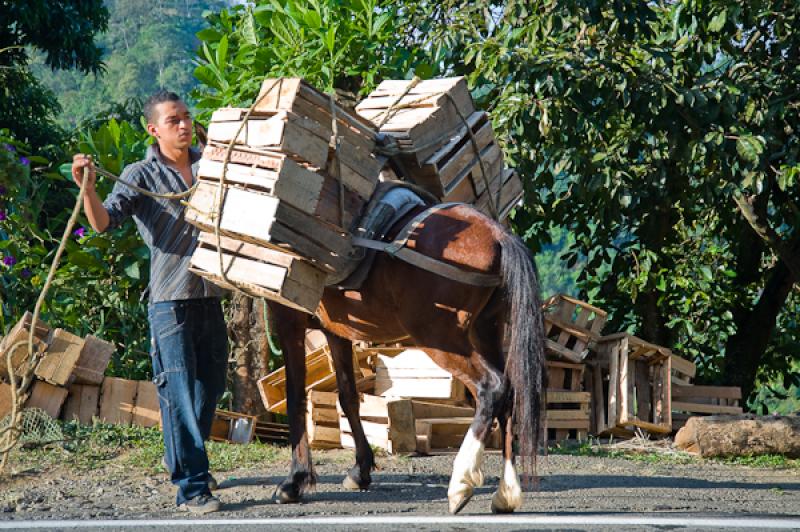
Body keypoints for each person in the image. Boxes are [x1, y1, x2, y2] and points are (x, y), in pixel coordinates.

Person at [72, 90, 227, 514]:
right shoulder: (140, 174)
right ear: (153, 129)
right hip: (170, 301)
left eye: (187, 117)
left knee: (211, 384)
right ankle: (192, 487)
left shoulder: (210, 164)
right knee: (177, 392)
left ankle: (182, 458)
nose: (184, 124)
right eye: (173, 120)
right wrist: (88, 190)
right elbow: (104, 223)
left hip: (210, 293)